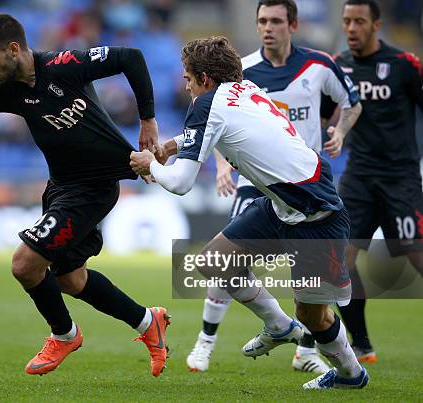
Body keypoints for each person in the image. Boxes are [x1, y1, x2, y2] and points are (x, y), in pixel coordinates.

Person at [0, 14, 170, 377]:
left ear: (14, 49)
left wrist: (148, 120)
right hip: (61, 188)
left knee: (24, 264)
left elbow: (130, 56)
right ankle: (148, 322)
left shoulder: (64, 65)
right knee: (70, 278)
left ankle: (64, 335)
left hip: (93, 189)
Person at [131, 36, 369, 389]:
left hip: (316, 214)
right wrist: (171, 145)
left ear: (205, 79)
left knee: (313, 315)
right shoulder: (246, 88)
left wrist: (152, 164)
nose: (185, 85)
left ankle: (352, 374)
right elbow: (212, 130)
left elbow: (181, 183)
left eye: (188, 78)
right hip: (281, 205)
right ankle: (278, 326)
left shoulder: (207, 104)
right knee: (214, 261)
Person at [187, 0, 362, 375]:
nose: (268, 27)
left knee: (311, 302)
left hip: (307, 187)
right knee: (220, 262)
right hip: (257, 185)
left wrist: (340, 132)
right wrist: (222, 164)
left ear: (293, 24)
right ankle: (211, 340)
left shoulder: (318, 65)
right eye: (262, 20)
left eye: (276, 21)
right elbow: (217, 127)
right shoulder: (243, 72)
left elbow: (351, 102)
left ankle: (311, 350)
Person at [331, 0, 423, 363]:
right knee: (339, 259)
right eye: (346, 21)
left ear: (376, 25)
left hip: (400, 178)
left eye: (359, 22)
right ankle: (362, 343)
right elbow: (324, 110)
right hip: (358, 178)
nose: (351, 28)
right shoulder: (339, 65)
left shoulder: (404, 65)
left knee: (417, 255)